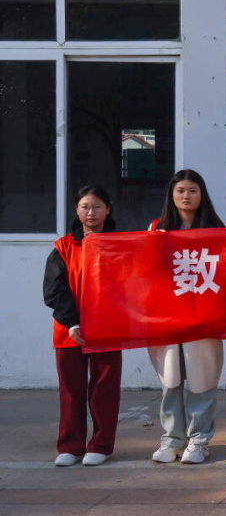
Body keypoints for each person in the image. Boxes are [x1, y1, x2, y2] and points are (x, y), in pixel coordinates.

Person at [147, 169, 226, 465]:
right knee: (170, 379)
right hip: (167, 316)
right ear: (171, 195)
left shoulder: (216, 229)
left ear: (202, 194)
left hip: (203, 316)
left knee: (201, 379)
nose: (186, 196)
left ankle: (199, 440)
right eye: (180, 190)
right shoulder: (157, 228)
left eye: (193, 190)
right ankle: (171, 439)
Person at [42, 186, 123, 467]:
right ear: (76, 210)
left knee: (104, 390)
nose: (91, 212)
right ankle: (70, 446)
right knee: (70, 391)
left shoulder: (121, 245)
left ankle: (100, 445)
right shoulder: (63, 247)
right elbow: (54, 290)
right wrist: (72, 322)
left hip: (107, 330)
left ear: (108, 209)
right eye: (85, 206)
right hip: (69, 332)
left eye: (97, 206)